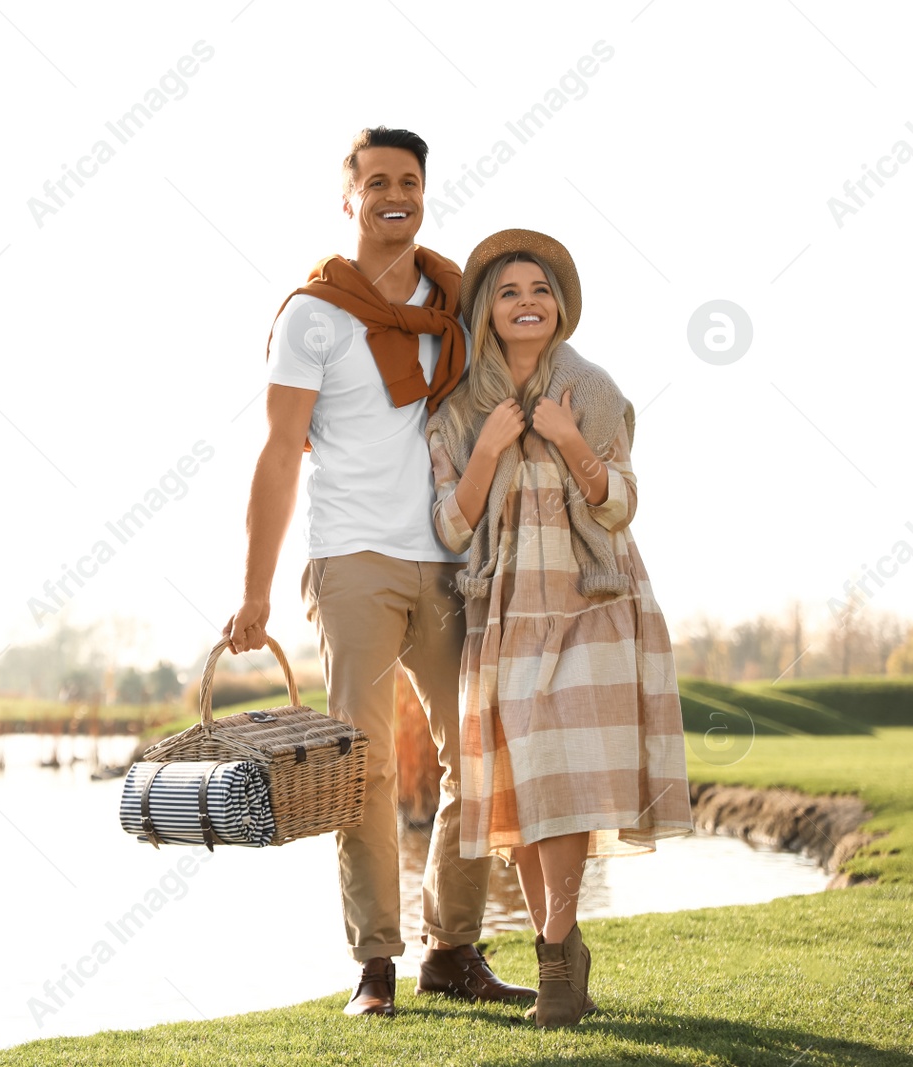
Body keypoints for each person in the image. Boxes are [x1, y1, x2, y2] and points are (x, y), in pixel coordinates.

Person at [223, 127, 535, 1019]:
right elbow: (281, 454)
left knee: (480, 755)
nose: (395, 194)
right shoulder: (314, 315)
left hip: (451, 561)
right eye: (377, 182)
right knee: (360, 769)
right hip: (353, 557)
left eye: (410, 181)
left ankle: (453, 948)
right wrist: (255, 590)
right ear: (349, 198)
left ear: (424, 193)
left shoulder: (455, 306)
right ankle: (375, 965)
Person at [424, 229, 694, 1028]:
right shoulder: (458, 411)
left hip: (593, 598)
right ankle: (563, 952)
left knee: (568, 778)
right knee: (534, 784)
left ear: (560, 304)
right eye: (508, 292)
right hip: (504, 604)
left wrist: (570, 438)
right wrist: (492, 448)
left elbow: (619, 503)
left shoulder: (593, 389)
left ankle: (554, 964)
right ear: (487, 309)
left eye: (539, 289)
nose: (526, 303)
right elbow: (449, 526)